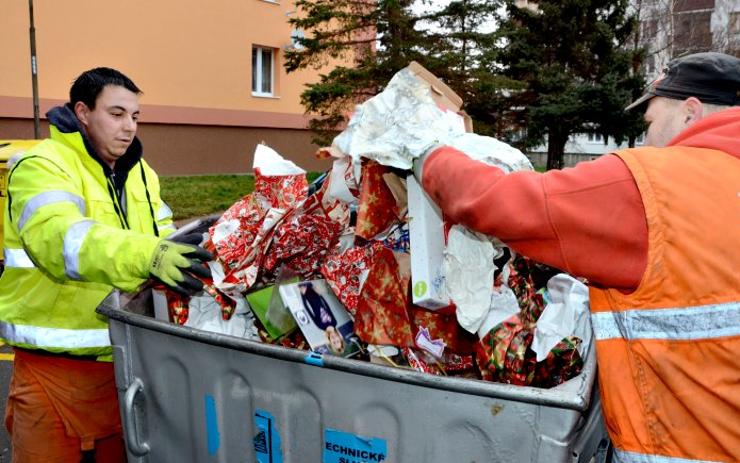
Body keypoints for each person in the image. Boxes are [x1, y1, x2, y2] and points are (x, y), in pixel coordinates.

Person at [414, 52, 739, 463]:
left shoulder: (662, 185)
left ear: (690, 113)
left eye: (650, 123)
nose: (646, 139)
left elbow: (508, 203)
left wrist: (427, 154)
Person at [0, 67, 211, 462]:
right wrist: (147, 255)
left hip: (128, 369)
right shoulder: (41, 164)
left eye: (135, 117)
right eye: (116, 114)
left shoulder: (141, 174)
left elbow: (165, 238)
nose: (129, 127)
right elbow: (60, 239)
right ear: (82, 112)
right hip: (54, 376)